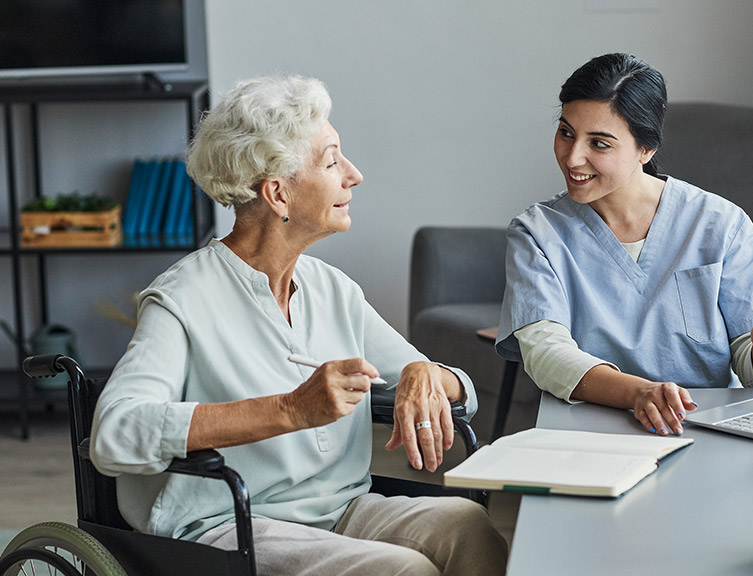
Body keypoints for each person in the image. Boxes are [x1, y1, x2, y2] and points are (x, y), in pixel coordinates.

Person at [91, 75, 507, 576]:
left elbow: (458, 389)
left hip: (338, 510)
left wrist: (422, 372)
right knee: (403, 570)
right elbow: (115, 433)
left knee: (469, 523)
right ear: (278, 195)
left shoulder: (333, 289)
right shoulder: (182, 299)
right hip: (230, 524)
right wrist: (290, 409)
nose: (353, 175)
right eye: (332, 161)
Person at [496, 53, 753, 437]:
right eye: (566, 132)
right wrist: (639, 393)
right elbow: (547, 355)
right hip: (588, 431)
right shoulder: (537, 232)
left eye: (599, 143)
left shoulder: (720, 225)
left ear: (646, 150)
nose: (572, 156)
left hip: (705, 429)